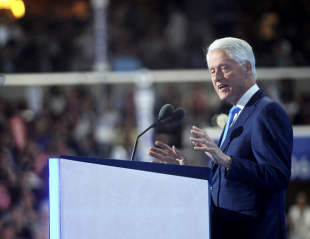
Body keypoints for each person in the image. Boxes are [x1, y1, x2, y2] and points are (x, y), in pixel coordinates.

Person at [148, 37, 293, 239]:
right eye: (212, 71)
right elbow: (225, 186)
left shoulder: (267, 111)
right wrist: (189, 171)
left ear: (247, 68)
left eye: (224, 68)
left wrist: (227, 161)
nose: (216, 77)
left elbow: (278, 176)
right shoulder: (235, 115)